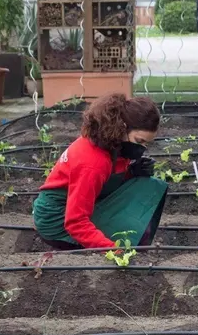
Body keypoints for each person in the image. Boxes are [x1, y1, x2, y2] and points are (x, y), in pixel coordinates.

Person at [32, 94, 167, 251]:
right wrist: (113, 250)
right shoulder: (93, 162)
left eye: (146, 144)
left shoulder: (111, 144)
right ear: (122, 128)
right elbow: (75, 222)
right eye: (139, 141)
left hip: (72, 208)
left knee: (148, 186)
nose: (142, 148)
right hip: (56, 222)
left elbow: (106, 181)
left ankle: (134, 244)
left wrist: (132, 172)